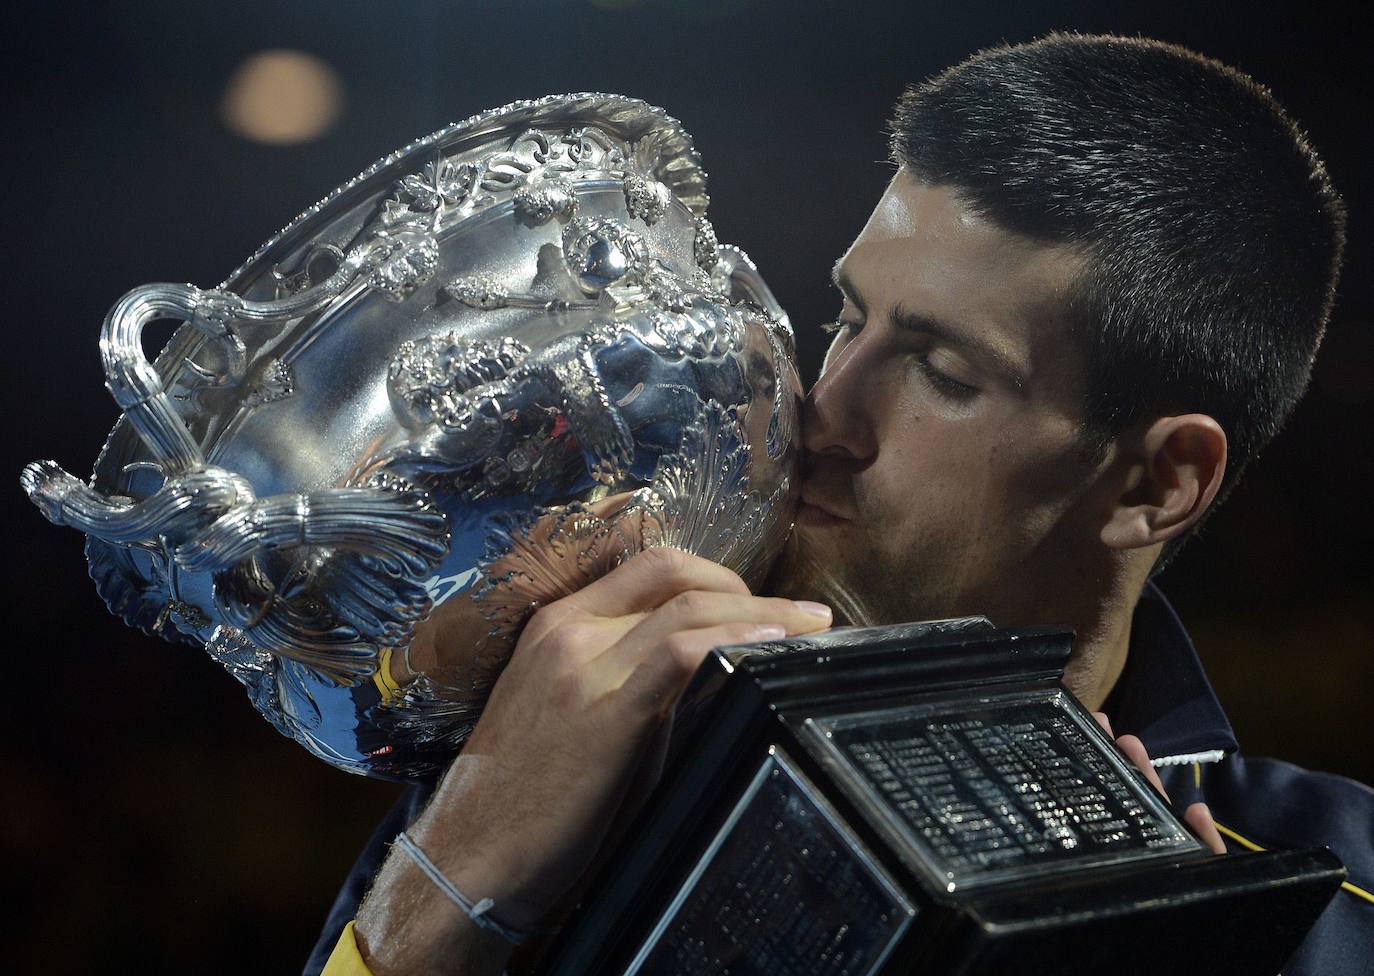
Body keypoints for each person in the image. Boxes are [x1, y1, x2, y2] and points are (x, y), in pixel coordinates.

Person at [306, 33, 1371, 976]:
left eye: (943, 373)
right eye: (846, 319)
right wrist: (444, 891)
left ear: (1158, 482)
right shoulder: (583, 737)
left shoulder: (1344, 902)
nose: (827, 409)